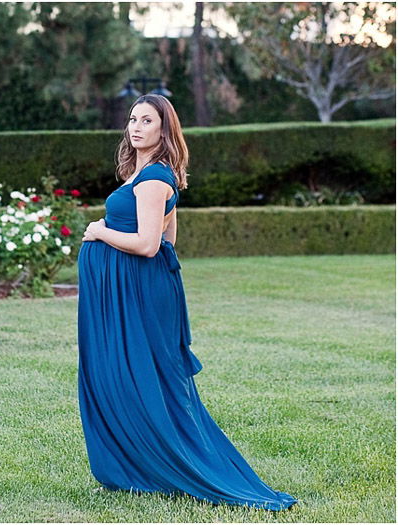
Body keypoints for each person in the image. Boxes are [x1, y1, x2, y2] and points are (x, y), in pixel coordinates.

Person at [76, 94, 298, 511]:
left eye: (147, 120)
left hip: (136, 291)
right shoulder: (147, 176)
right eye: (132, 119)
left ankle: (165, 463)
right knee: (129, 375)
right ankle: (140, 465)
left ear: (164, 130)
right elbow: (168, 239)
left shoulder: (155, 179)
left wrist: (100, 232)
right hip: (132, 290)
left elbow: (147, 245)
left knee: (138, 375)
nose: (136, 126)